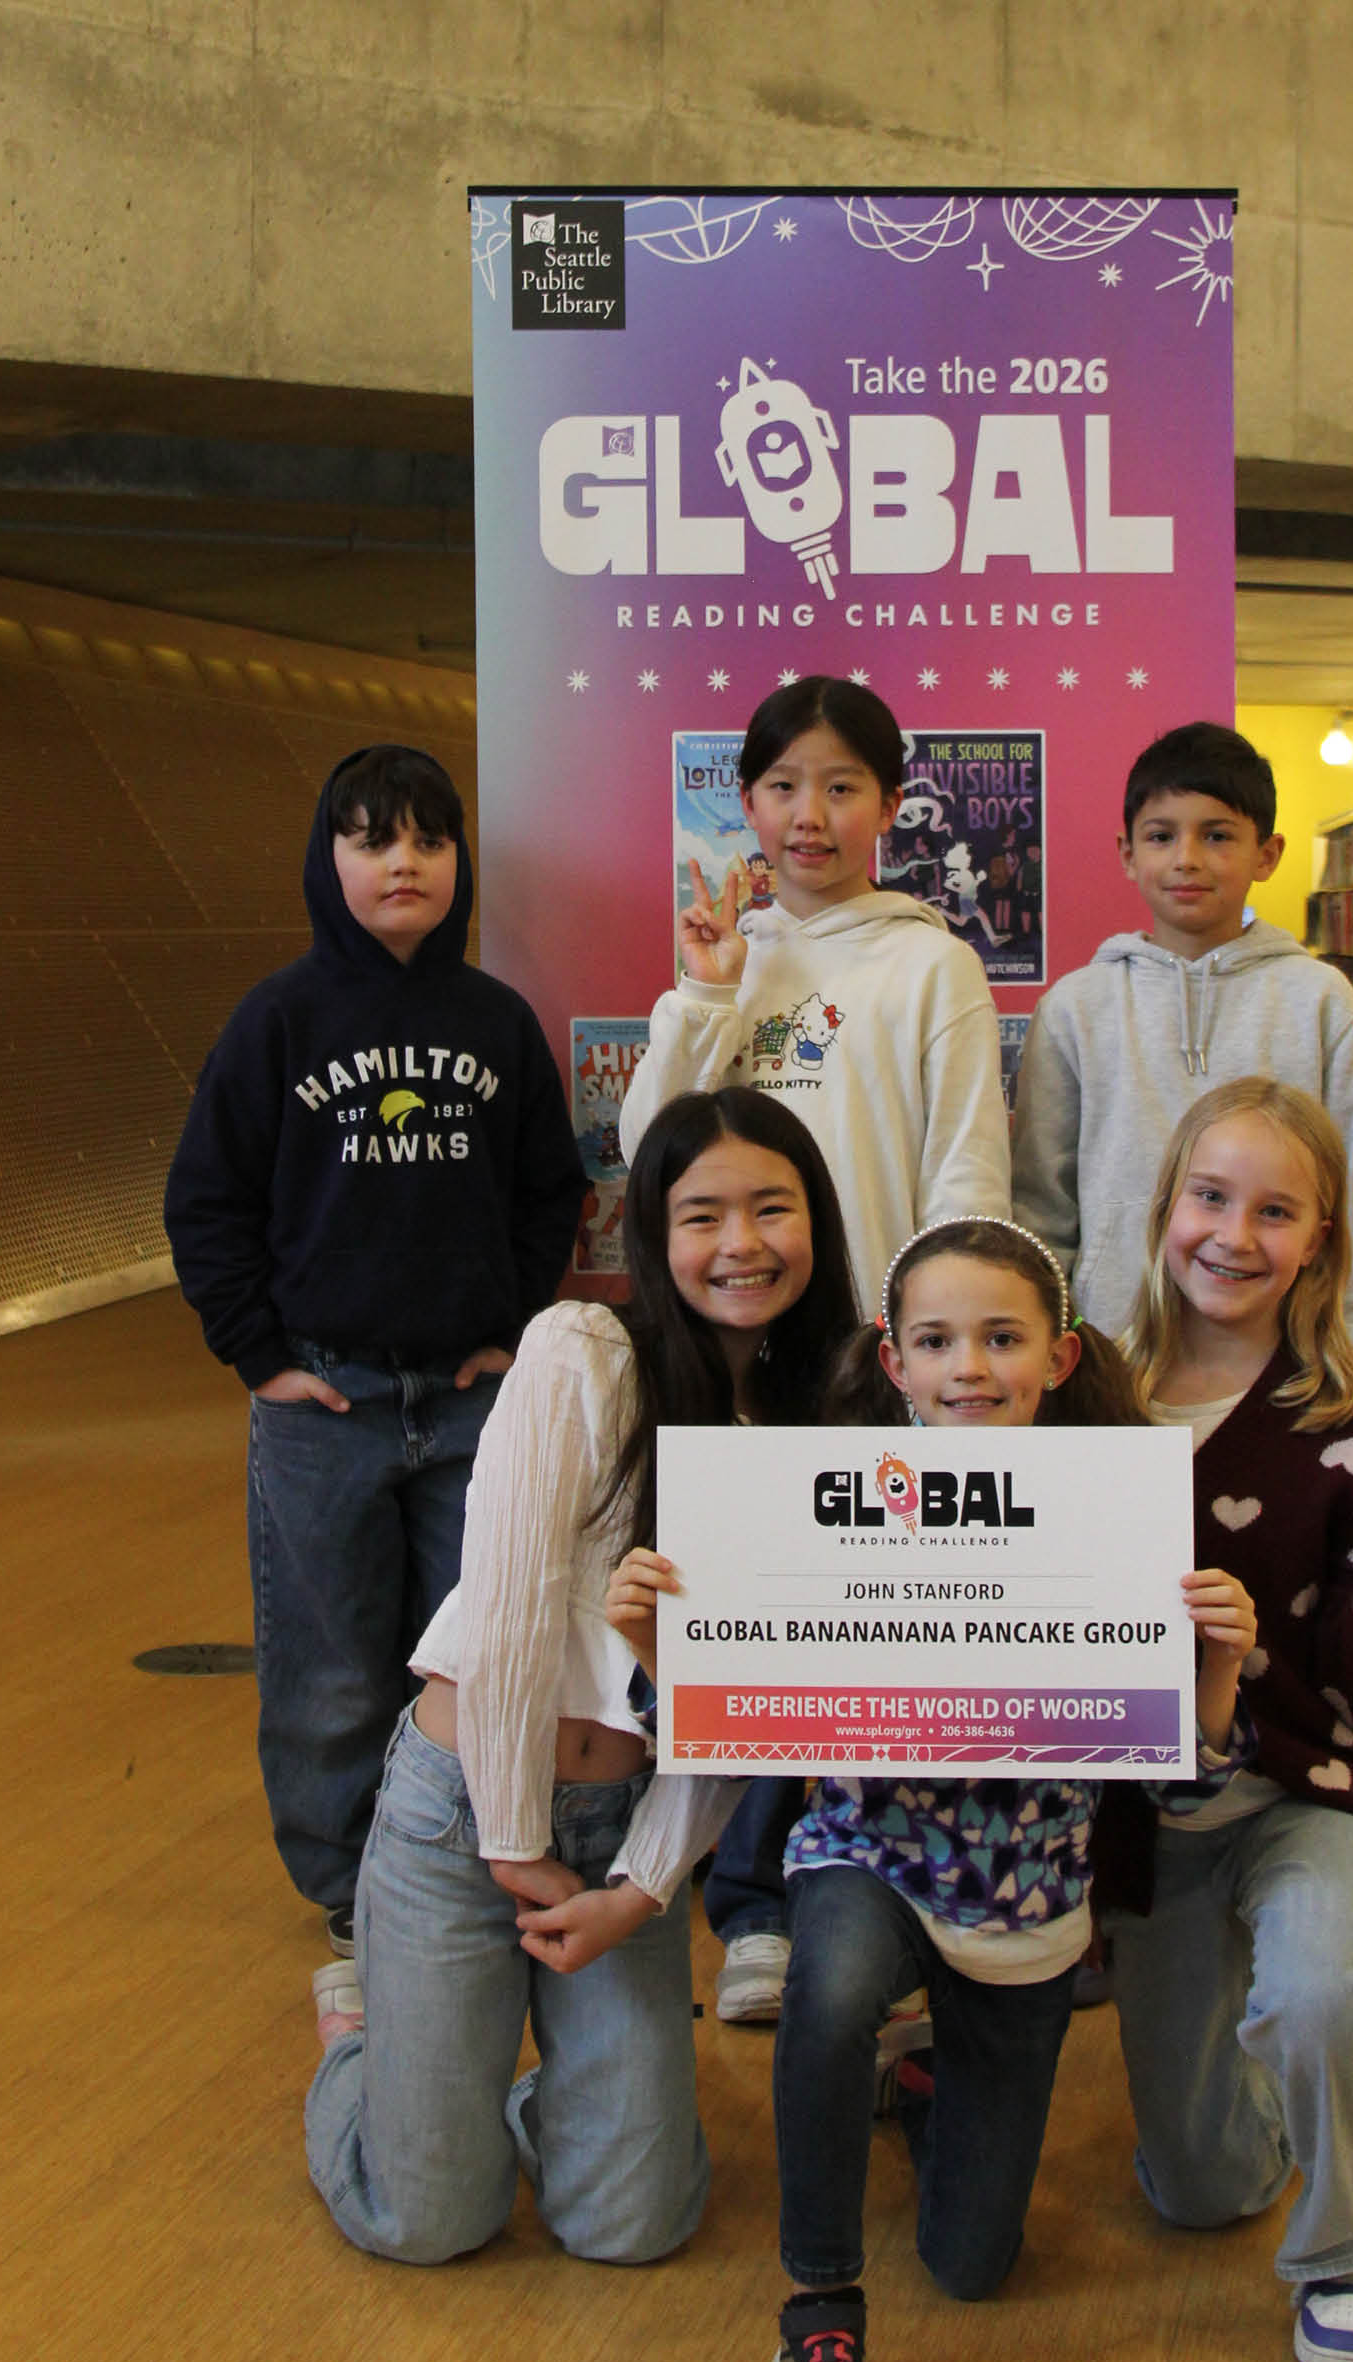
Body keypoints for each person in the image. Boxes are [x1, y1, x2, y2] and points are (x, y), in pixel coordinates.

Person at [609, 1216, 1250, 2362]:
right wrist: (651, 1646)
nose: (970, 1367)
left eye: (1002, 1339)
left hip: (1027, 1910)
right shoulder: (820, 1502)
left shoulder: (1116, 1513)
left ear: (1058, 1357)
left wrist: (1217, 1668)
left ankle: (918, 2090)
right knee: (828, 1987)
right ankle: (819, 2314)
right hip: (867, 1852)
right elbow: (733, 1724)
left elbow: (1178, 1785)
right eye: (938, 1341)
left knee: (970, 2265)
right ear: (892, 1362)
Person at [302, 1088, 865, 2264]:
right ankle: (362, 2045)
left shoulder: (823, 1425)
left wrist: (643, 1887)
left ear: (817, 1218)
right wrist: (513, 1838)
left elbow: (751, 1711)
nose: (742, 1243)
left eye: (773, 1208)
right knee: (427, 2222)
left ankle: (493, 2096)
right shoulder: (584, 1351)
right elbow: (507, 1609)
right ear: (650, 1233)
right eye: (701, 1215)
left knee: (632, 2224)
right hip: (461, 1807)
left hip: (621, 1827)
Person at [1095, 1078, 1353, 2362]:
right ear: (1163, 1205)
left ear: (1321, 1241)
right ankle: (1284, 2093)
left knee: (1326, 1987)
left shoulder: (1352, 1427)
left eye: (1275, 1212)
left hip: (1310, 1784)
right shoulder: (1088, 1401)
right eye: (1209, 1197)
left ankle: (1350, 2248)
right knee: (1201, 2187)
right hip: (1153, 1812)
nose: (1233, 1235)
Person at [624, 677, 1012, 2027]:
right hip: (737, 1347)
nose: (810, 814)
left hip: (869, 1354)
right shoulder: (726, 959)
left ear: (888, 806)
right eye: (783, 786)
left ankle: (858, 1890)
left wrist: (941, 1347)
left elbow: (966, 1168)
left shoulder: (930, 964)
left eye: (842, 786)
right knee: (749, 1615)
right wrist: (704, 994)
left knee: (864, 1629)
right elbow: (648, 1157)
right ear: (744, 802)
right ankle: (750, 1907)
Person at [163, 744, 585, 1960]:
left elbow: (547, 1191)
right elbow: (206, 1199)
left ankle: (460, 1853)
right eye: (372, 839)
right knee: (331, 1664)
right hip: (322, 1401)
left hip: (466, 1401)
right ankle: (351, 1888)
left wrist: (508, 1328)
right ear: (327, 859)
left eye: (428, 840)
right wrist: (258, 1355)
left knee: (475, 1648)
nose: (404, 862)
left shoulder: (495, 1022)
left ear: (458, 862)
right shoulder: (277, 1021)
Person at [1011, 720, 1353, 1372]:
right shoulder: (1074, 1010)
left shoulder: (1323, 1003)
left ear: (1267, 854)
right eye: (1161, 836)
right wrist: (1044, 1351)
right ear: (1127, 853)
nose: (1187, 858)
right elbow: (1040, 1209)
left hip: (1285, 1360)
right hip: (1111, 1353)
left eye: (1218, 835)